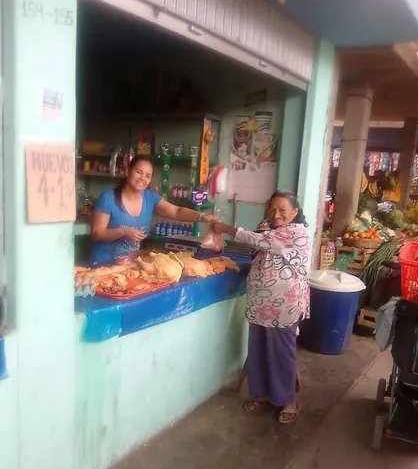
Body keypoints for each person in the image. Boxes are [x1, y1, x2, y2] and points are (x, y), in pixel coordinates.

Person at [212, 190, 310, 425]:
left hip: (284, 304)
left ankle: (286, 400)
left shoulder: (298, 232)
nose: (276, 214)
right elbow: (261, 253)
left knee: (281, 352)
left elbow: (262, 243)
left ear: (295, 212)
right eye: (272, 209)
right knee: (257, 350)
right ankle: (261, 394)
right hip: (260, 303)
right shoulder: (269, 230)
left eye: (283, 210)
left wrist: (227, 229)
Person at [90, 155, 216, 264]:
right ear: (128, 171)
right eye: (138, 172)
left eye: (147, 176)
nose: (142, 178)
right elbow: (97, 234)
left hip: (128, 266)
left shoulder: (150, 199)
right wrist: (123, 232)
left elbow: (176, 211)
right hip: (103, 264)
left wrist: (201, 217)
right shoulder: (107, 198)